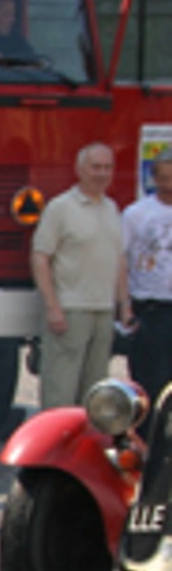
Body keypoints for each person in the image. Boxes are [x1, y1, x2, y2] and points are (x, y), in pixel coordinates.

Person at [31, 143, 129, 410]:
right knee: (60, 388)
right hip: (71, 309)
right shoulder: (60, 207)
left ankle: (86, 447)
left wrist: (124, 303)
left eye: (108, 168)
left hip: (103, 310)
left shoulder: (111, 208)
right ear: (79, 170)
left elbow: (118, 258)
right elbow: (40, 256)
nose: (102, 173)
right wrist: (53, 307)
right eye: (96, 167)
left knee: (95, 391)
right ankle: (56, 449)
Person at [122, 150, 172, 403]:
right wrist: (124, 305)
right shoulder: (136, 214)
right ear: (154, 178)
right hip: (149, 309)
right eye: (164, 176)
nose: (169, 183)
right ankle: (146, 440)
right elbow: (121, 259)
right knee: (148, 384)